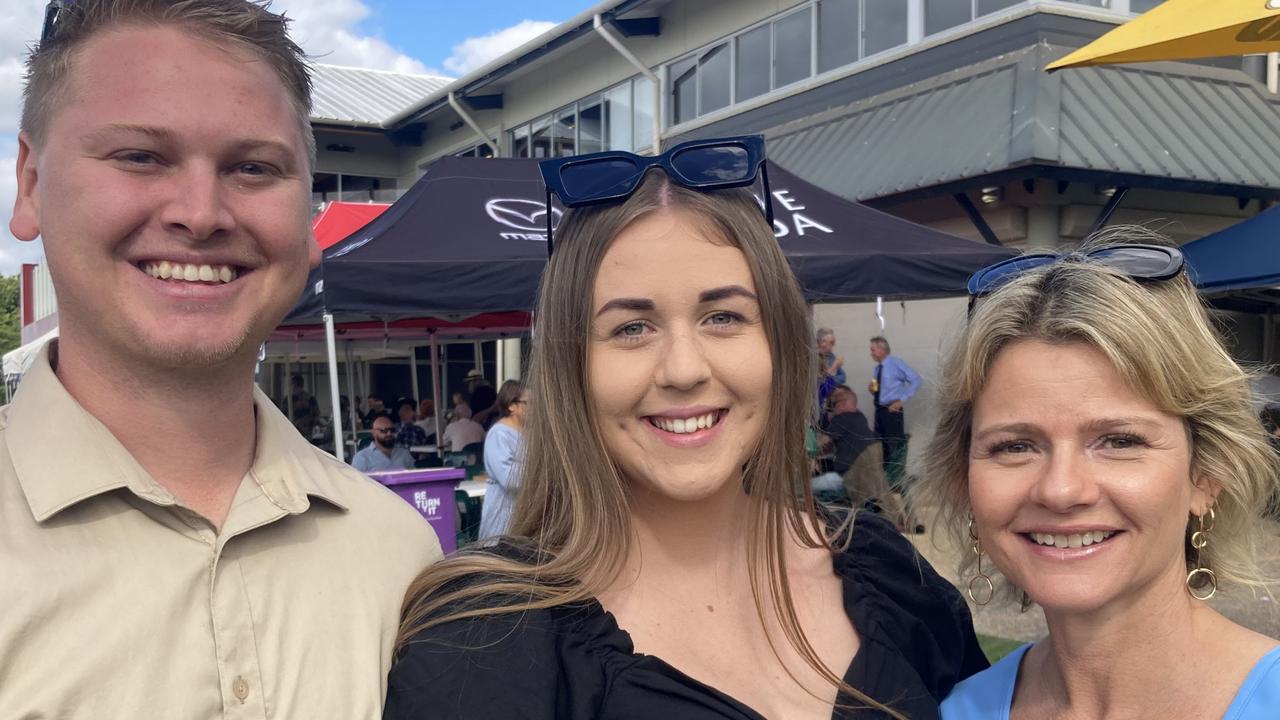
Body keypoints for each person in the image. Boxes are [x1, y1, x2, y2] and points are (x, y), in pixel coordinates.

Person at [386, 139, 986, 719]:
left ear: (779, 341)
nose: (684, 370)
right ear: (572, 366)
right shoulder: (482, 641)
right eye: (631, 328)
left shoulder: (885, 570)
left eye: (723, 317)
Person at [0, 2, 441, 717]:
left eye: (253, 167)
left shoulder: (399, 555)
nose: (201, 214)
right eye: (140, 156)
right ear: (30, 183)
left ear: (309, 219)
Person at [915, 232, 1280, 720]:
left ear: (1206, 475)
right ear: (964, 480)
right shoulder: (955, 710)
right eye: (1015, 446)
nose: (1061, 489)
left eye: (1120, 441)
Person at [815, 386, 906, 526]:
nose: (832, 408)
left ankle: (884, 524)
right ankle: (896, 520)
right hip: (874, 449)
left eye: (834, 404)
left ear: (845, 404)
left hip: (858, 458)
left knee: (866, 496)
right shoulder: (859, 417)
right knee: (880, 488)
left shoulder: (842, 418)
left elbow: (822, 443)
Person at [478, 380, 529, 540]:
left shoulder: (528, 432)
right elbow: (509, 478)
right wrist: (541, 475)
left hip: (523, 513)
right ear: (511, 405)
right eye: (529, 403)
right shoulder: (499, 434)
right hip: (504, 514)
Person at [868, 336, 920, 479]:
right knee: (881, 444)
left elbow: (916, 380)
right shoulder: (877, 369)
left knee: (893, 444)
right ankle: (887, 478)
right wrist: (872, 389)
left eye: (872, 350)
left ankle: (897, 477)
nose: (870, 353)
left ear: (881, 349)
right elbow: (876, 387)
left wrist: (901, 400)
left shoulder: (895, 363)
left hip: (892, 410)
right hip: (879, 410)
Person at [283, 372, 319, 436]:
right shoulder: (310, 398)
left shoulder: (288, 400)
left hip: (296, 431)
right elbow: (316, 415)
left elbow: (283, 415)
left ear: (293, 385)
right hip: (305, 431)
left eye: (292, 385)